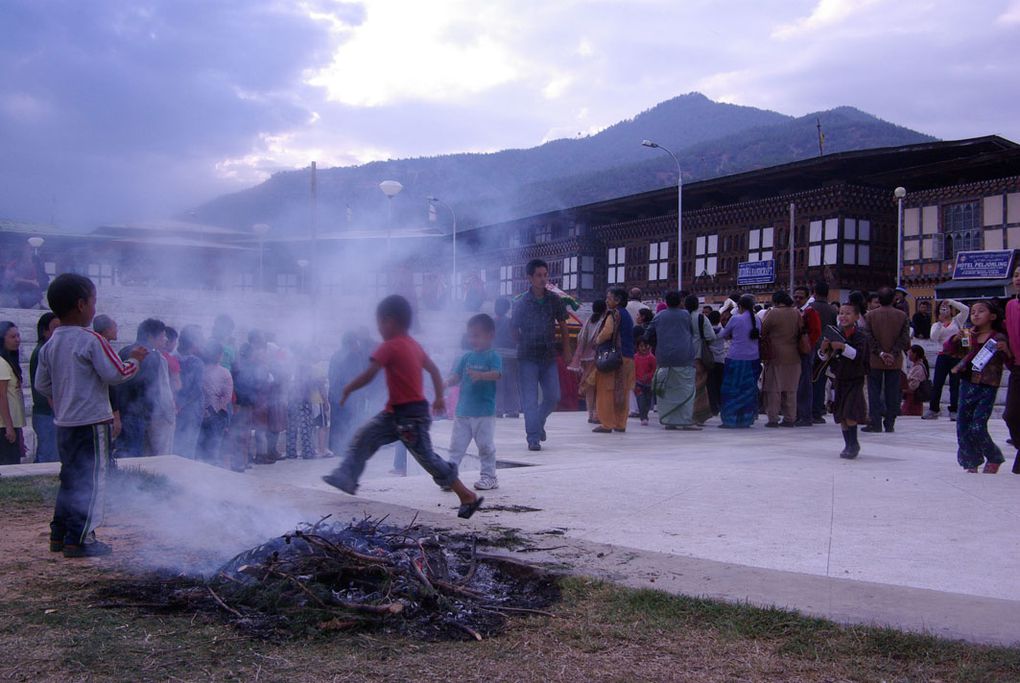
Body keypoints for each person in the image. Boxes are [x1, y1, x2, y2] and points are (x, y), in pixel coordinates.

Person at [322, 295, 484, 519]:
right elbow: (435, 371)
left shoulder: (388, 346)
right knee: (365, 436)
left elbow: (369, 375)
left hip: (409, 417)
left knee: (427, 459)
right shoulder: (414, 345)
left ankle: (466, 495)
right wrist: (437, 397)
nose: (378, 328)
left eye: (379, 323)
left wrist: (349, 388)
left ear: (390, 321)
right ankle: (348, 476)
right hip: (396, 413)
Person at [35, 273, 145, 557]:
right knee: (93, 479)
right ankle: (81, 539)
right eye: (94, 301)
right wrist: (135, 359)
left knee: (71, 478)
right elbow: (116, 373)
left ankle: (60, 534)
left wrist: (65, 397)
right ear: (82, 304)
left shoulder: (51, 343)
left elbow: (41, 385)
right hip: (92, 423)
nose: (96, 308)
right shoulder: (91, 340)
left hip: (65, 424)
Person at [511, 259, 572, 451]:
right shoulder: (521, 302)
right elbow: (513, 328)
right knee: (529, 399)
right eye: (538, 275)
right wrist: (522, 342)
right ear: (529, 278)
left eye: (545, 275)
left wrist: (567, 349)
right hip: (527, 357)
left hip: (548, 356)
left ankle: (538, 422)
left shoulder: (555, 300)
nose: (543, 279)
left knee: (553, 396)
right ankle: (533, 438)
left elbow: (563, 324)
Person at [952, 300, 1011, 473]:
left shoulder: (998, 338)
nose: (976, 314)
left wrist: (1006, 349)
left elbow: (1008, 359)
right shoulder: (967, 335)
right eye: (973, 312)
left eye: (981, 311)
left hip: (987, 386)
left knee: (978, 425)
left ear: (992, 316)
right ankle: (971, 460)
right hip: (967, 384)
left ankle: (993, 456)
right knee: (962, 424)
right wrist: (955, 340)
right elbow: (954, 351)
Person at [446, 313, 502, 491]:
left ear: (490, 335)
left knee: (485, 446)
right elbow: (456, 377)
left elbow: (497, 374)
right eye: (470, 335)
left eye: (477, 335)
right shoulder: (465, 358)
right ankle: (450, 478)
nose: (473, 339)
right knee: (456, 447)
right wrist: (445, 382)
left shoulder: (493, 356)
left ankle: (489, 477)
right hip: (463, 412)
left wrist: (482, 376)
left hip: (484, 412)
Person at [115, 319, 175, 456]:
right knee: (134, 454)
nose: (165, 340)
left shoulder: (124, 351)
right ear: (150, 336)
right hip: (138, 412)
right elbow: (152, 388)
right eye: (162, 336)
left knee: (122, 451)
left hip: (122, 410)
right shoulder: (152, 356)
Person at [818, 303, 870, 459]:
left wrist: (843, 347)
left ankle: (854, 444)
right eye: (841, 313)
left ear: (856, 317)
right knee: (840, 413)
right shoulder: (835, 333)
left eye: (848, 313)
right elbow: (823, 358)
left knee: (850, 412)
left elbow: (858, 356)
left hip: (854, 378)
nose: (843, 316)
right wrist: (823, 348)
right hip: (838, 378)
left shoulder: (861, 336)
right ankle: (848, 443)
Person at [645, 290, 697, 430]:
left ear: (666, 302)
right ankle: (685, 421)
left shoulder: (659, 316)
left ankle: (668, 419)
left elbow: (648, 333)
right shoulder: (686, 315)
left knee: (667, 390)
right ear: (680, 301)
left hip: (664, 358)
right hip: (684, 356)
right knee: (685, 389)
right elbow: (691, 332)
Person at [862, 287, 910, 434]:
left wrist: (881, 352)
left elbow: (868, 338)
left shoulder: (870, 316)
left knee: (874, 391)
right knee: (892, 392)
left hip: (875, 359)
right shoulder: (902, 316)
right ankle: (890, 423)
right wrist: (893, 353)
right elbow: (904, 339)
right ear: (893, 299)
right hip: (894, 361)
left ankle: (875, 422)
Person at [591, 287, 635, 433]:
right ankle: (620, 423)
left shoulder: (613, 314)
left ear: (618, 300)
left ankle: (607, 423)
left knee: (606, 390)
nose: (607, 300)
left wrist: (597, 340)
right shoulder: (626, 315)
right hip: (628, 357)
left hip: (614, 358)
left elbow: (607, 332)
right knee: (623, 391)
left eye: (609, 298)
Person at [760, 291, 802, 428]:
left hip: (776, 355)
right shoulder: (796, 313)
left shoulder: (773, 313)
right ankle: (790, 418)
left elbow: (763, 330)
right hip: (794, 354)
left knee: (774, 388)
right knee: (790, 389)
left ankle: (773, 418)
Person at [718, 294, 761, 428]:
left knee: (731, 390)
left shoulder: (735, 319)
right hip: (753, 359)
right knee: (748, 390)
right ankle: (746, 419)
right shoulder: (758, 320)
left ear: (740, 307)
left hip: (735, 359)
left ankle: (730, 419)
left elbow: (723, 335)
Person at [924, 298, 969, 420]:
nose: (945, 310)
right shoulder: (936, 325)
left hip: (956, 355)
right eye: (942, 309)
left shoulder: (957, 321)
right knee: (937, 383)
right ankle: (933, 409)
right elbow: (934, 338)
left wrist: (951, 302)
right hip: (942, 355)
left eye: (947, 308)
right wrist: (940, 323)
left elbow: (966, 309)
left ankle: (954, 409)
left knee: (955, 384)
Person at [569, 299, 606, 424]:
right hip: (596, 358)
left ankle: (590, 414)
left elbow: (580, 337)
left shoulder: (588, 320)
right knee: (598, 387)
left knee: (589, 388)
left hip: (584, 357)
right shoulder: (602, 321)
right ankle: (596, 414)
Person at [29, 312, 60, 462]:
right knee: (48, 456)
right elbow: (44, 386)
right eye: (55, 328)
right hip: (47, 413)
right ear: (44, 331)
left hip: (48, 413)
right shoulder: (43, 351)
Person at [197, 340, 233, 467]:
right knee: (213, 448)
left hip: (201, 413)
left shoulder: (199, 369)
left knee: (200, 447)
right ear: (218, 355)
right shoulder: (224, 372)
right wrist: (213, 409)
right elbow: (227, 396)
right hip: (216, 415)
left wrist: (206, 409)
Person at [173, 325, 205, 459]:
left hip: (174, 409)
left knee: (175, 447)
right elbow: (196, 390)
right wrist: (183, 404)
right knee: (188, 448)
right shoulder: (196, 362)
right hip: (190, 411)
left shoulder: (171, 357)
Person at [685, 294, 718, 425]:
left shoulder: (682, 317)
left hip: (683, 356)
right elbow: (711, 336)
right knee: (699, 386)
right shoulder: (701, 318)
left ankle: (685, 413)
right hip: (698, 356)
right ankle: (698, 415)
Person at [793, 285, 822, 426]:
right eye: (796, 297)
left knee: (805, 383)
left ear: (807, 297)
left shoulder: (810, 312)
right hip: (797, 350)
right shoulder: (796, 311)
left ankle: (805, 415)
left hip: (806, 350)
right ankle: (799, 413)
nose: (798, 299)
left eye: (800, 297)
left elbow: (816, 332)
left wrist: (807, 344)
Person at [0, 322, 26, 465]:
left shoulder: (9, 361)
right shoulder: (1, 362)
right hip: (4, 426)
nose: (17, 340)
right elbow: (1, 396)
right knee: (9, 465)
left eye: (18, 335)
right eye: (12, 337)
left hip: (13, 423)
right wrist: (9, 427)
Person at [493, 297, 520, 419]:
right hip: (512, 355)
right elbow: (517, 337)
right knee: (511, 383)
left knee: (498, 383)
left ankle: (498, 409)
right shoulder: (511, 321)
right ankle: (513, 409)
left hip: (497, 356)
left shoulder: (492, 322)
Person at [1005, 267, 1020, 474]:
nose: (1019, 278)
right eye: (1017, 274)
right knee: (1011, 414)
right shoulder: (1010, 306)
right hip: (1017, 367)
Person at [706, 310, 726, 416]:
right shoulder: (723, 330)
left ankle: (713, 407)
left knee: (710, 385)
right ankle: (721, 404)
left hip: (710, 360)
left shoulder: (707, 332)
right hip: (721, 359)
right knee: (720, 384)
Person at [901, 345, 930, 417]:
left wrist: (902, 389)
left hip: (913, 401)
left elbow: (913, 386)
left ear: (915, 354)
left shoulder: (918, 368)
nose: (909, 355)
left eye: (910, 353)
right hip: (910, 399)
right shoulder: (915, 366)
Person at [633, 337, 656, 426]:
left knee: (647, 401)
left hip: (649, 384)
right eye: (641, 346)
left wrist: (649, 375)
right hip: (638, 383)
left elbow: (654, 370)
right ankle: (643, 417)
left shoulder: (652, 358)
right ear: (637, 347)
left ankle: (645, 414)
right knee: (641, 400)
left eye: (645, 345)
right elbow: (633, 370)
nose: (643, 348)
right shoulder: (635, 358)